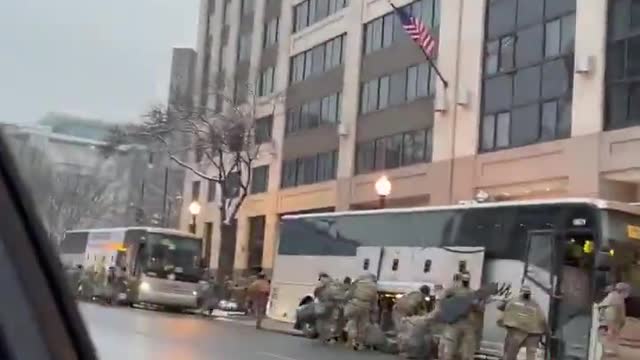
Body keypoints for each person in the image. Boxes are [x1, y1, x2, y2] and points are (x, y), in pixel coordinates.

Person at [440, 273, 483, 360]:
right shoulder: (453, 291)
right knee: (453, 348)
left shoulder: (468, 292)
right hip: (458, 322)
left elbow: (478, 308)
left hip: (463, 322)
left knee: (462, 348)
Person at [499, 285, 547, 360]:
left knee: (510, 352)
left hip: (516, 329)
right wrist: (545, 331)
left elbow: (501, 307)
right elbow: (542, 318)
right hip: (533, 331)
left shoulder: (513, 300)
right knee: (530, 355)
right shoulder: (535, 304)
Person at [344, 273, 378, 350]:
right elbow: (374, 300)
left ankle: (350, 342)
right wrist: (374, 310)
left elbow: (349, 294)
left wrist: (345, 300)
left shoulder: (357, 283)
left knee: (352, 322)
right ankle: (359, 344)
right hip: (366, 306)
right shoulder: (374, 287)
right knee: (362, 326)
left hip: (355, 304)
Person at [597, 282, 630, 359]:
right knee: (612, 333)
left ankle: (608, 349)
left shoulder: (612, 296)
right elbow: (621, 311)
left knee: (612, 333)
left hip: (611, 317)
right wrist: (622, 320)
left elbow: (601, 305)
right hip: (613, 317)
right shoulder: (617, 297)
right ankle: (609, 349)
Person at [314, 273, 344, 343]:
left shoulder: (320, 286)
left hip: (322, 306)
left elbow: (316, 294)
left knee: (322, 322)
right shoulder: (331, 286)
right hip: (330, 306)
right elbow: (335, 297)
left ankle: (324, 337)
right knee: (328, 322)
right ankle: (328, 337)